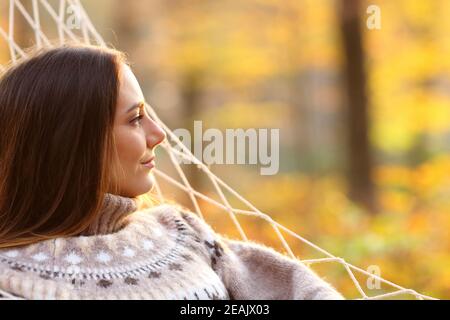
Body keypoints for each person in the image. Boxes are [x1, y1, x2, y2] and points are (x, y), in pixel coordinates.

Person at [0, 44, 343, 300]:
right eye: (135, 118)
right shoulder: (9, 276)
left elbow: (295, 290)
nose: (159, 133)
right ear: (71, 144)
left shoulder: (180, 233)